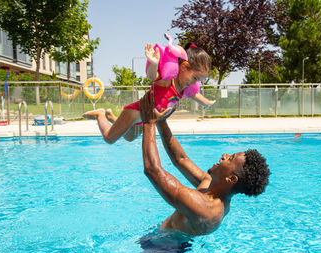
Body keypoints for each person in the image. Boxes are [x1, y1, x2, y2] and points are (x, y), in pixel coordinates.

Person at [139, 92, 271, 236]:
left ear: (231, 179)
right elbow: (181, 159)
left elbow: (152, 171)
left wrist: (148, 123)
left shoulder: (203, 207)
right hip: (164, 238)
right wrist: (161, 122)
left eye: (230, 158)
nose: (224, 155)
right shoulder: (213, 187)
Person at [82, 42, 215, 144]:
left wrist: (207, 103)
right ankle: (100, 115)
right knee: (109, 138)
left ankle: (111, 116)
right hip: (135, 113)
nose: (194, 83)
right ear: (185, 67)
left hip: (146, 118)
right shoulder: (168, 81)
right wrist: (154, 64)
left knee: (129, 138)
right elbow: (153, 76)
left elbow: (195, 95)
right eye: (195, 78)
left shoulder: (184, 87)